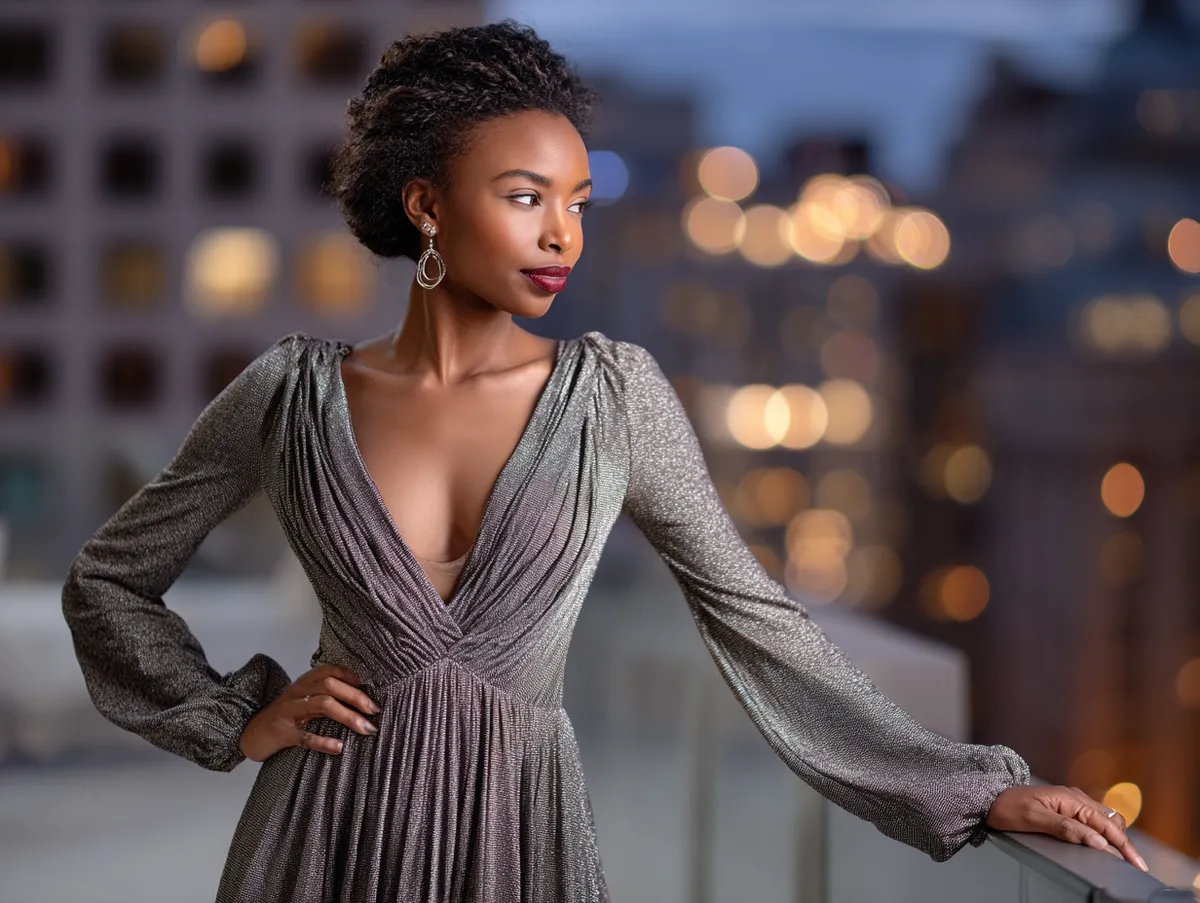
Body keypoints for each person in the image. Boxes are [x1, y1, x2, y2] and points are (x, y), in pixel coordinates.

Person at [60, 19, 1148, 903]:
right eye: (526, 197)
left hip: (517, 838)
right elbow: (109, 580)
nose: (561, 236)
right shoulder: (293, 394)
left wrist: (971, 791)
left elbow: (753, 617)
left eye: (577, 203)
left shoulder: (611, 399)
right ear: (427, 203)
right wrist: (229, 715)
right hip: (319, 838)